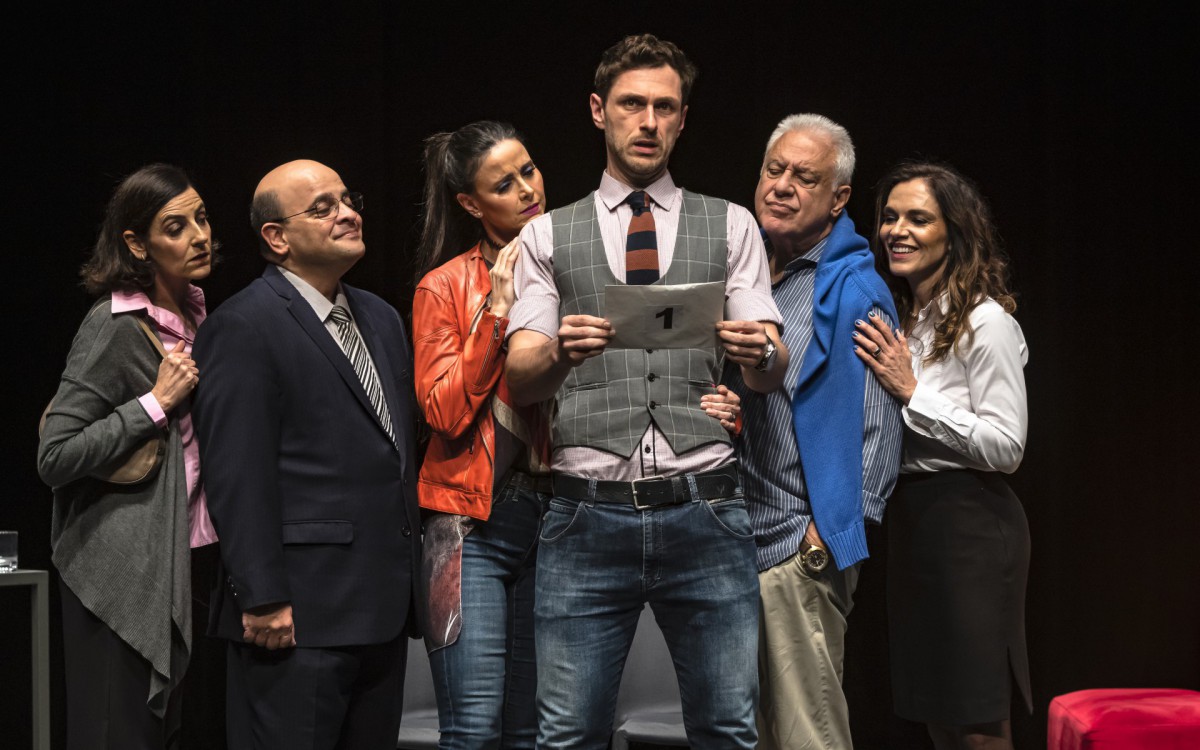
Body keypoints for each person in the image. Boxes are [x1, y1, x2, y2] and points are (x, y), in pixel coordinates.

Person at [505, 34, 786, 749]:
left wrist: (761, 354)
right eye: (633, 104)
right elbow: (520, 374)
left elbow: (767, 366)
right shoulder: (546, 234)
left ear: (684, 119)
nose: (649, 121)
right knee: (568, 734)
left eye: (665, 106)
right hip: (585, 515)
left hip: (705, 507)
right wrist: (562, 351)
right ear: (599, 110)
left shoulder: (730, 223)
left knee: (728, 728)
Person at [192, 159, 421, 749]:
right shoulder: (243, 325)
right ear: (276, 238)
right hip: (295, 617)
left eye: (348, 199)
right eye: (322, 207)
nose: (347, 213)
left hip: (382, 607)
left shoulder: (381, 317)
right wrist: (263, 596)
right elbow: (236, 474)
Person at [727, 114, 903, 750]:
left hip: (800, 548)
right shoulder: (751, 277)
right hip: (740, 539)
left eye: (805, 177)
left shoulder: (854, 289)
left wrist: (826, 536)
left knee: (809, 734)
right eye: (774, 170)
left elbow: (880, 432)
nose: (782, 186)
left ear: (839, 199)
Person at [38, 163, 219, 749]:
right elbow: (55, 454)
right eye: (175, 226)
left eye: (202, 218)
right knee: (118, 734)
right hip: (120, 573)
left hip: (183, 561)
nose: (198, 235)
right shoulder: (114, 326)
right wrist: (153, 403)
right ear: (136, 244)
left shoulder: (197, 317)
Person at [854, 161, 1031, 750]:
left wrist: (913, 392)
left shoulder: (986, 321)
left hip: (971, 525)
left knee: (976, 718)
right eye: (889, 217)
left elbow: (1007, 447)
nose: (896, 230)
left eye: (918, 218)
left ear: (954, 233)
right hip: (915, 521)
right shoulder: (908, 320)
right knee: (935, 710)